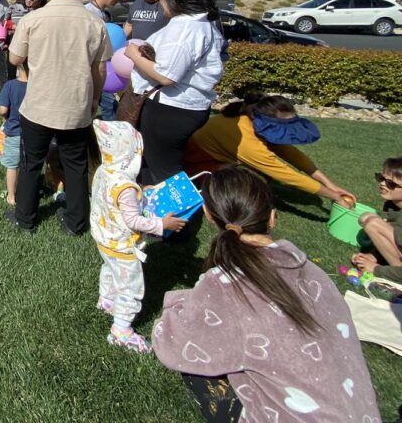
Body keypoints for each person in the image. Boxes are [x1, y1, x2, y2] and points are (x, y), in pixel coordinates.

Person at [152, 166, 380, 423]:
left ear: (207, 214)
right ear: (272, 217)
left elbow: (168, 341)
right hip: (361, 414)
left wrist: (180, 301)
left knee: (197, 342)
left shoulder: (223, 285)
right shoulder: (314, 272)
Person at [7, 0, 111, 235]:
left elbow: (15, 58)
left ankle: (25, 218)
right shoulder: (94, 23)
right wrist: (94, 100)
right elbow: (99, 69)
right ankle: (76, 223)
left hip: (38, 105)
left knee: (31, 163)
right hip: (75, 106)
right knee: (76, 166)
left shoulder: (33, 19)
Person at [90, 121, 185, 353]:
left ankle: (107, 299)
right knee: (130, 287)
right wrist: (161, 224)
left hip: (104, 238)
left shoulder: (104, 171)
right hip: (123, 246)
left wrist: (141, 190)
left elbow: (114, 203)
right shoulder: (126, 188)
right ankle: (121, 331)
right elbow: (133, 220)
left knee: (109, 268)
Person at [124, 0, 224, 187]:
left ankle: (175, 216)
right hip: (185, 107)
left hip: (171, 110)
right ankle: (154, 207)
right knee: (155, 162)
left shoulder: (185, 28)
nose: (160, 1)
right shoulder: (201, 24)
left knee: (165, 169)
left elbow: (166, 75)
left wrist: (133, 55)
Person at [184, 93, 356, 205]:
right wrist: (334, 196)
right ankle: (212, 190)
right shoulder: (247, 141)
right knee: (253, 181)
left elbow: (292, 155)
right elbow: (287, 175)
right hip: (193, 164)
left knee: (257, 177)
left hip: (213, 158)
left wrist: (331, 185)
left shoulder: (252, 121)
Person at [352, 157, 402, 285]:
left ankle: (396, 273)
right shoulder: (391, 206)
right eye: (381, 178)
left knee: (373, 223)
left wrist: (376, 269)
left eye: (391, 183)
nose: (382, 184)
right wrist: (374, 256)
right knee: (367, 218)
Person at [0, 62, 28, 206]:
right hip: (33, 133)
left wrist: (5, 120)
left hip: (14, 133)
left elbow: (3, 110)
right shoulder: (36, 87)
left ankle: (11, 195)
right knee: (28, 164)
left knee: (12, 166)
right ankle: (27, 191)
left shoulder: (9, 86)